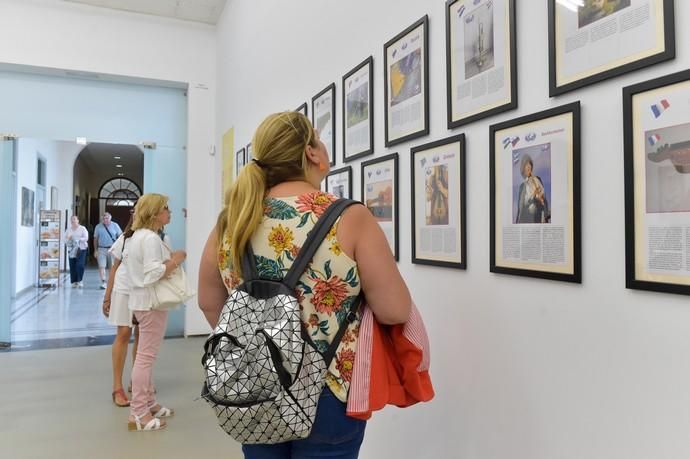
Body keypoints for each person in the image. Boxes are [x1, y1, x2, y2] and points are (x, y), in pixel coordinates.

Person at [198, 111, 411, 458]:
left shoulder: (233, 219)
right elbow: (394, 310)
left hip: (253, 382)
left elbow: (209, 301)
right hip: (327, 387)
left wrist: (253, 348)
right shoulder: (349, 217)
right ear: (312, 153)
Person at [123, 193, 186, 432]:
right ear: (155, 213)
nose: (169, 212)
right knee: (146, 357)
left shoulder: (138, 237)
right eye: (165, 208)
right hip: (150, 302)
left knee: (146, 356)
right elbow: (151, 274)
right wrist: (176, 260)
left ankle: (148, 403)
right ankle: (138, 412)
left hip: (143, 302)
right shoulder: (148, 238)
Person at [102, 216, 137, 408]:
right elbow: (114, 268)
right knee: (123, 333)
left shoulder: (160, 238)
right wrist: (107, 297)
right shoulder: (124, 238)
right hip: (124, 290)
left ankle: (137, 380)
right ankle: (117, 387)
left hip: (146, 293)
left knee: (143, 337)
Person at [515, 154, 550, 224]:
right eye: (526, 165)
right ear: (523, 168)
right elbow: (521, 208)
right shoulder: (522, 186)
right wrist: (533, 196)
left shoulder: (537, 179)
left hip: (539, 215)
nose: (528, 167)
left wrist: (541, 196)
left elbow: (544, 198)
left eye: (529, 164)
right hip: (528, 219)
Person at [94, 212, 123, 289]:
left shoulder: (115, 225)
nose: (105, 220)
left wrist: (118, 248)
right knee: (102, 266)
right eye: (103, 218)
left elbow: (120, 236)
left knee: (112, 266)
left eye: (107, 218)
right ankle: (103, 282)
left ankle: (111, 282)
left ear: (110, 218)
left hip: (112, 249)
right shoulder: (98, 227)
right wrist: (95, 250)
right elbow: (95, 239)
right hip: (101, 249)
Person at [64, 215, 89, 288]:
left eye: (74, 219)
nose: (73, 221)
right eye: (71, 219)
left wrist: (78, 239)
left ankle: (80, 280)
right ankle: (74, 281)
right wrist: (68, 238)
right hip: (71, 249)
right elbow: (65, 239)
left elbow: (86, 238)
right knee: (72, 265)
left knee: (80, 265)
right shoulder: (68, 229)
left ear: (78, 220)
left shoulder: (82, 228)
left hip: (81, 249)